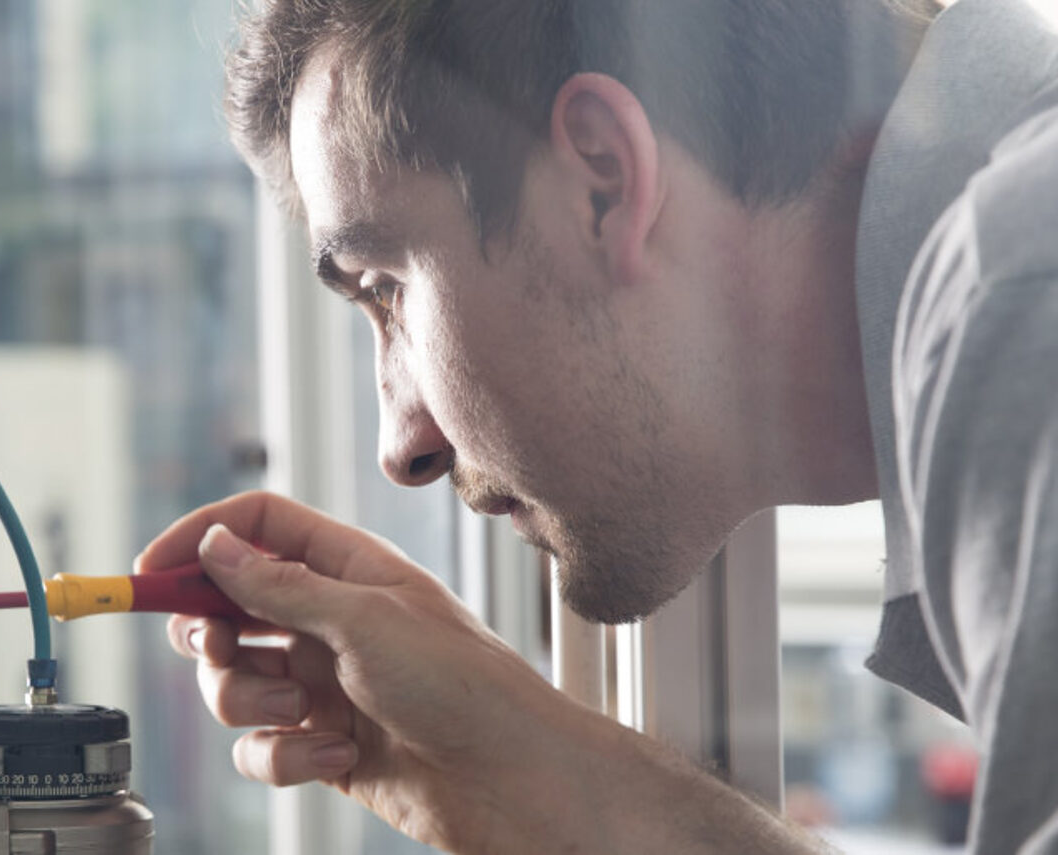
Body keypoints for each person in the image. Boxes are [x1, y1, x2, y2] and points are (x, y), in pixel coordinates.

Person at [133, 0, 1058, 851]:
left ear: (603, 182)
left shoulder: (1024, 295)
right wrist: (539, 776)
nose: (402, 444)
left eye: (387, 289)